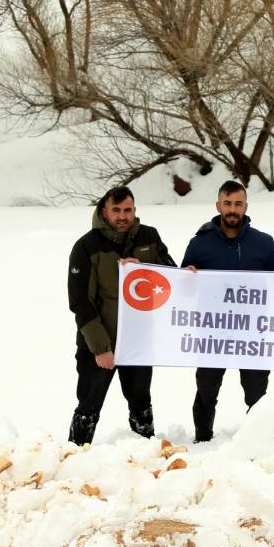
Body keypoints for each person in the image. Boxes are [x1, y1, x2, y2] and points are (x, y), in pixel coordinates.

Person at [180, 180, 274, 442]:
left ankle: (256, 439)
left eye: (238, 204)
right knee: (206, 388)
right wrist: (186, 277)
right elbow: (182, 287)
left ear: (246, 206)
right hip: (212, 329)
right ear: (218, 206)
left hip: (252, 329)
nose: (232, 209)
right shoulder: (199, 243)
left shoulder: (263, 243)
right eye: (227, 203)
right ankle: (202, 438)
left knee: (256, 390)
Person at [67, 186, 175, 445]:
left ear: (135, 210)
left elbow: (171, 275)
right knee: (89, 404)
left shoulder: (148, 236)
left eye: (128, 210)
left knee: (140, 401)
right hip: (100, 345)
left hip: (138, 342)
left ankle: (144, 453)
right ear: (104, 211)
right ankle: (74, 454)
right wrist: (101, 348)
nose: (122, 216)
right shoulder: (86, 246)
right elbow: (81, 302)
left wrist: (146, 270)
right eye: (116, 210)